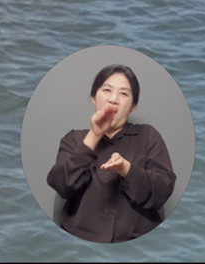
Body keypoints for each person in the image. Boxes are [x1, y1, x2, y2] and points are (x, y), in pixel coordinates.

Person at [46, 63, 177, 243]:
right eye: (107, 90)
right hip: (80, 241)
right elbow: (62, 185)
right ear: (94, 98)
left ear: (133, 106)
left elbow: (163, 189)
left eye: (124, 94)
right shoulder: (74, 139)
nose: (114, 99)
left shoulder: (148, 136)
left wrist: (126, 170)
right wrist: (94, 136)